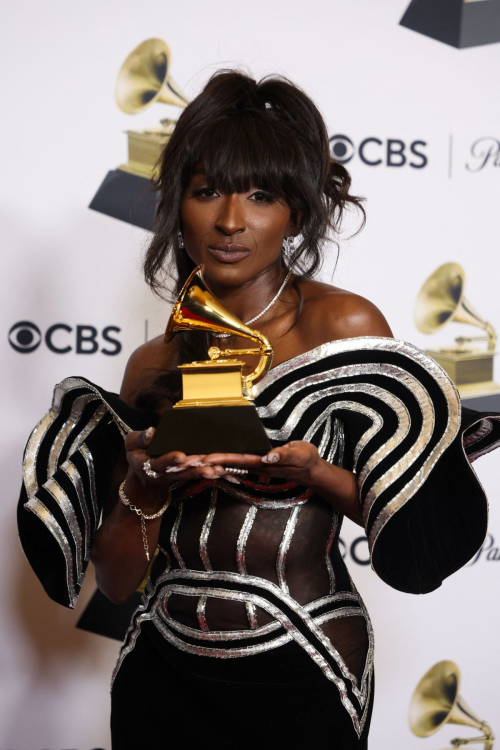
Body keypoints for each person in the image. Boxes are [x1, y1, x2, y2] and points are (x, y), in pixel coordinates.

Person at [18, 71, 500, 750]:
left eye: (261, 195)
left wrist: (316, 474)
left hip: (305, 660)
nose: (231, 220)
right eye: (207, 190)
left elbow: (412, 535)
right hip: (162, 668)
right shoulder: (153, 363)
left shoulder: (343, 324)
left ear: (295, 214)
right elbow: (120, 582)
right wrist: (144, 487)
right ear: (177, 204)